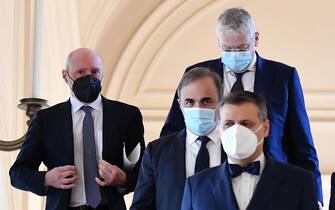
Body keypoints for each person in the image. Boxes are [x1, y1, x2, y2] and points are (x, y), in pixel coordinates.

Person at [161, 7, 323, 203]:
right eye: (228, 49)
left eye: (242, 48)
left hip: (273, 185)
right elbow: (172, 134)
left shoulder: (283, 76)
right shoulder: (198, 73)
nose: (235, 54)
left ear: (256, 38)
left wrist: (314, 196)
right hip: (212, 185)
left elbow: (302, 142)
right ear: (219, 42)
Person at [9, 48, 145, 210]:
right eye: (80, 72)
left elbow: (145, 173)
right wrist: (46, 178)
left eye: (95, 72)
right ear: (66, 76)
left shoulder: (127, 115)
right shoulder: (46, 119)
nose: (89, 77)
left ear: (102, 74)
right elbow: (17, 174)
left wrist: (123, 180)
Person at [181, 91, 318, 210]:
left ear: (265, 128)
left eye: (246, 124)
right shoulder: (196, 185)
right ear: (219, 128)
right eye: (228, 124)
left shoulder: (299, 181)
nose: (236, 131)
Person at [130, 67, 226, 210]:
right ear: (180, 104)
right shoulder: (157, 151)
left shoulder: (238, 145)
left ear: (222, 102)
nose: (197, 108)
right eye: (189, 102)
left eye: (206, 101)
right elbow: (141, 206)